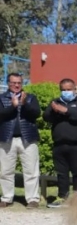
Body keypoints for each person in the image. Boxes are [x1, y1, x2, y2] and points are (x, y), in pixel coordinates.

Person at [43, 78, 77, 207]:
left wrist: (66, 111)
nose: (66, 92)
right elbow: (46, 117)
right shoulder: (55, 102)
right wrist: (54, 110)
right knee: (61, 173)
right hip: (59, 144)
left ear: (74, 89)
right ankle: (62, 197)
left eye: (68, 89)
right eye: (63, 90)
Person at [0, 73, 41, 208]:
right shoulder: (2, 98)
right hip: (7, 138)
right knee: (6, 171)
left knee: (31, 170)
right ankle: (6, 197)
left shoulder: (30, 98)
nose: (17, 85)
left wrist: (24, 105)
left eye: (19, 83)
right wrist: (13, 106)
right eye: (13, 83)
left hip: (28, 138)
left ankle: (32, 199)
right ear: (8, 83)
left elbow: (36, 114)